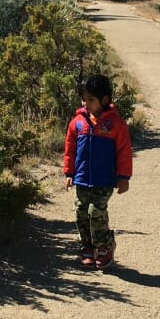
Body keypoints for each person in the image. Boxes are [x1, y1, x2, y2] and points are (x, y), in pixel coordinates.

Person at [63, 74, 133, 269]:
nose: (86, 103)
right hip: (82, 178)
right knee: (81, 213)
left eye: (91, 100)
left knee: (96, 213)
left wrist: (123, 177)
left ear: (104, 100)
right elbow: (70, 149)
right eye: (83, 99)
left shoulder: (115, 124)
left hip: (104, 180)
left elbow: (124, 152)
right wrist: (69, 173)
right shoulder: (77, 122)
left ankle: (104, 246)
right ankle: (87, 247)